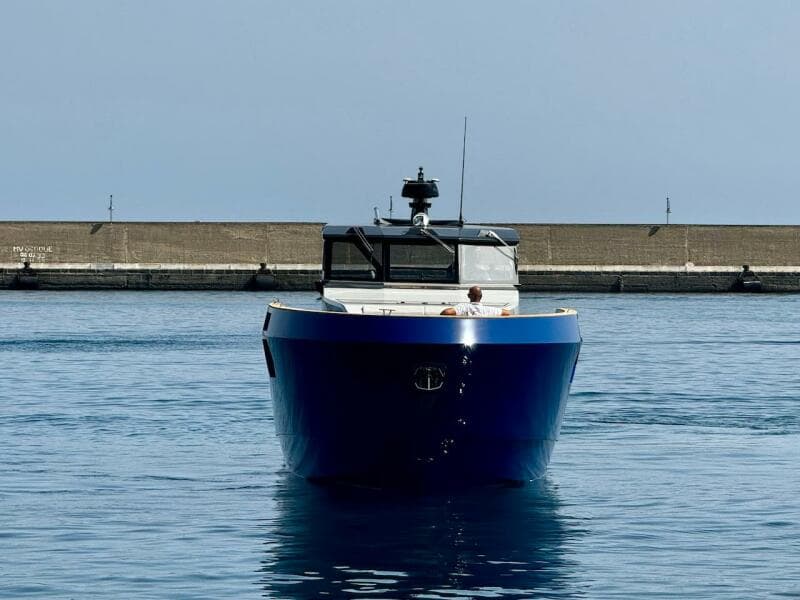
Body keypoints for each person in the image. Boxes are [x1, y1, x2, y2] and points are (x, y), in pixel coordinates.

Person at [441, 285, 511, 316]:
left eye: (468, 294)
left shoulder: (463, 308)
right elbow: (507, 313)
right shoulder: (489, 310)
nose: (467, 295)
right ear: (481, 296)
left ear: (470, 296)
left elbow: (446, 312)